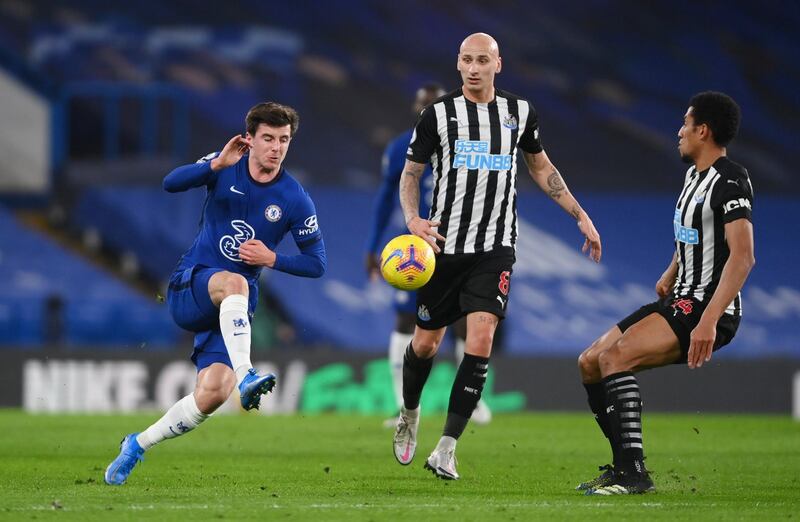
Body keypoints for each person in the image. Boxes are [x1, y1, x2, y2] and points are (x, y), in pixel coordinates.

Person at [393, 32, 602, 480]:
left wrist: (579, 214)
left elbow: (541, 166)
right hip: (442, 249)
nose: (473, 68)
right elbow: (410, 174)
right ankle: (409, 412)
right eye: (467, 60)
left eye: (482, 60)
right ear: (457, 64)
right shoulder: (438, 114)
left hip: (495, 248)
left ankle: (447, 447)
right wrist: (413, 220)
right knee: (426, 342)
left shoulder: (519, 112)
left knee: (481, 339)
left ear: (498, 64)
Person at [104, 102, 326, 485]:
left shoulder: (294, 198)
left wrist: (273, 257)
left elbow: (317, 263)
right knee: (235, 281)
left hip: (234, 307)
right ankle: (247, 374)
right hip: (191, 283)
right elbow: (170, 182)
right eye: (268, 138)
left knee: (211, 394)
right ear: (250, 139)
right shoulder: (225, 164)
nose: (276, 147)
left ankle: (137, 444)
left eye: (284, 140)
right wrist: (214, 166)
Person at [576, 92, 754, 495]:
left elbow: (742, 258)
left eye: (685, 124)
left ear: (702, 131)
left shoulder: (730, 180)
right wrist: (673, 269)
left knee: (614, 357)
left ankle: (634, 475)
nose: (679, 132)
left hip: (708, 308)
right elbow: (694, 233)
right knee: (589, 362)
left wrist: (709, 320)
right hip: (681, 298)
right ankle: (624, 466)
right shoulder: (694, 176)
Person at [365, 83, 492, 427]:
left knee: (468, 317)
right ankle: (400, 404)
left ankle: (472, 401)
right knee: (407, 320)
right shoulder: (400, 147)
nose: (427, 111)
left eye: (433, 105)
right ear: (415, 108)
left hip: (464, 243)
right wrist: (373, 246)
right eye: (422, 105)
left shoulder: (471, 141)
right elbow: (384, 198)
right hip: (416, 249)